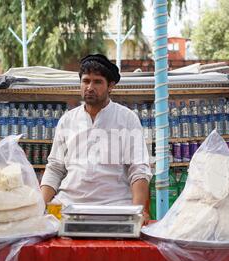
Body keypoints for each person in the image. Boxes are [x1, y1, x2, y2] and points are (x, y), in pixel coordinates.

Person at [40, 54, 152, 219]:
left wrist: (138, 212)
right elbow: (55, 168)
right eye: (85, 81)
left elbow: (139, 169)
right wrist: (39, 207)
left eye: (97, 81)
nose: (90, 87)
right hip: (68, 206)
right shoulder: (67, 120)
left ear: (110, 86)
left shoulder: (127, 118)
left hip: (115, 206)